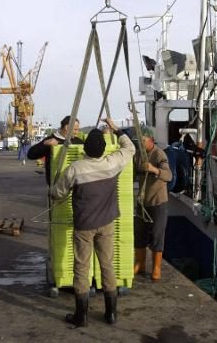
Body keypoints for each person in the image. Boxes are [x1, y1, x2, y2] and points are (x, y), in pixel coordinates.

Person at [50, 118, 135, 327]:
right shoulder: (112, 163)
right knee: (107, 266)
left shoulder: (75, 169)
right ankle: (111, 314)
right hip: (106, 224)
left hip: (83, 226)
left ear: (85, 148)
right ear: (104, 148)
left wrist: (52, 190)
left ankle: (82, 316)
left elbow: (57, 194)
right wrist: (115, 128)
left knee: (81, 267)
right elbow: (130, 147)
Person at [134, 128, 173, 282]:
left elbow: (168, 176)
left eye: (143, 141)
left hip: (158, 202)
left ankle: (156, 267)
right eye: (139, 142)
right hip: (142, 202)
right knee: (140, 233)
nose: (141, 144)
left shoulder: (159, 154)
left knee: (157, 235)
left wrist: (153, 169)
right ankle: (140, 264)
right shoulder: (137, 155)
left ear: (151, 140)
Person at [27, 116, 84, 185]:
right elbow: (30, 155)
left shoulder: (79, 142)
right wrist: (44, 144)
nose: (77, 132)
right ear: (67, 128)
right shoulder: (50, 140)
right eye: (75, 129)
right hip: (56, 185)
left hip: (75, 185)